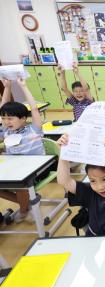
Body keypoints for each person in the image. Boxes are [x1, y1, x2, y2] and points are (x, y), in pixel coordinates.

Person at [57, 134, 105, 236]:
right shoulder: (89, 191)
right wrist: (63, 154)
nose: (100, 186)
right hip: (95, 238)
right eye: (93, 181)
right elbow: (64, 181)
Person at [0, 78, 45, 222]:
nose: (6, 122)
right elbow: (3, 107)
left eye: (10, 118)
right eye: (4, 118)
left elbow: (35, 108)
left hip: (38, 169)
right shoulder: (6, 131)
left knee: (21, 186)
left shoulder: (34, 129)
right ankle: (26, 204)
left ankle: (24, 209)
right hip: (14, 168)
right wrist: (7, 87)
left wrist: (24, 86)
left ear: (24, 118)